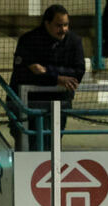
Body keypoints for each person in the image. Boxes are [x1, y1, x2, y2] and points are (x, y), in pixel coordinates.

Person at [8, 4, 85, 151]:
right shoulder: (28, 40)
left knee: (52, 146)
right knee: (29, 146)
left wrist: (47, 71)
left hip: (58, 103)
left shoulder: (74, 41)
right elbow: (24, 74)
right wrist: (58, 78)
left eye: (66, 25)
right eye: (58, 25)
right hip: (28, 104)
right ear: (47, 24)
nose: (63, 30)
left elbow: (78, 73)